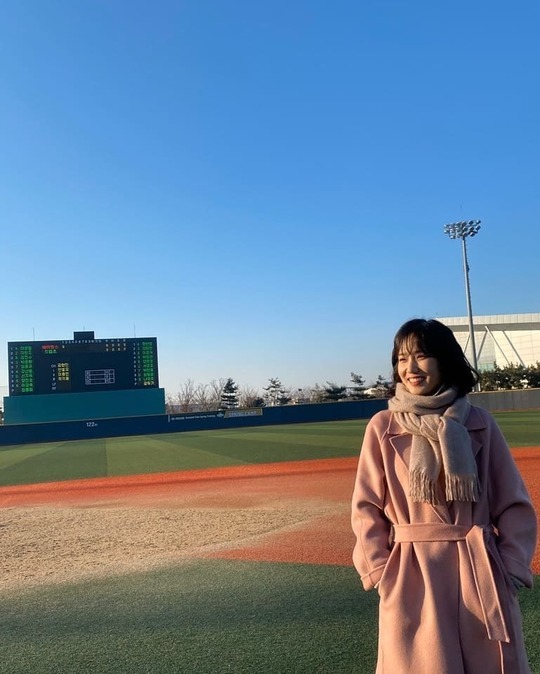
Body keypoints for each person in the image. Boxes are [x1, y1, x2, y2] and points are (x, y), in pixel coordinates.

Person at [351, 318, 537, 674]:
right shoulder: (382, 426)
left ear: (445, 360)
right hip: (412, 574)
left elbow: (513, 503)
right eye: (402, 359)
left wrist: (509, 568)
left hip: (479, 571)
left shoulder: (480, 422)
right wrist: (382, 571)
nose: (411, 368)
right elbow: (366, 508)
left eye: (421, 356)